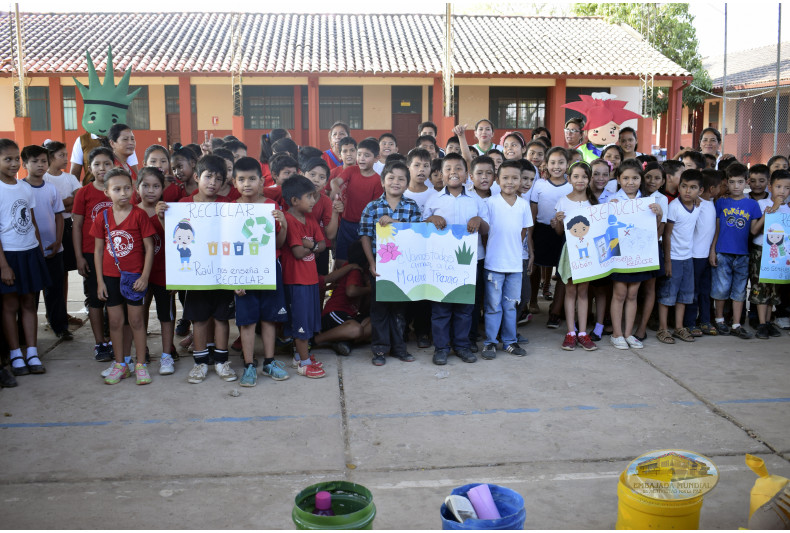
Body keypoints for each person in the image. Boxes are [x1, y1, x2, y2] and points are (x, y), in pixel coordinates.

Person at [174, 155, 237, 383]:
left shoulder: (230, 207)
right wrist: (164, 218)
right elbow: (175, 239)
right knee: (198, 320)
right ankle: (200, 364)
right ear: (197, 176)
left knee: (222, 319)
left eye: (218, 178)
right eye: (208, 176)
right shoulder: (182, 205)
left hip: (222, 274)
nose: (213, 182)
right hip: (196, 275)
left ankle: (221, 361)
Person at [228, 157, 289, 387]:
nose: (247, 184)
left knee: (270, 318)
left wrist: (283, 223)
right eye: (241, 179)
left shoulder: (271, 207)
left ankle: (270, 362)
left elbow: (279, 243)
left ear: (262, 181)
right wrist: (234, 279)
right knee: (247, 322)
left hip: (269, 268)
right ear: (234, 182)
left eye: (252, 179)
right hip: (242, 272)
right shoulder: (231, 210)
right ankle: (249, 365)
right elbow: (227, 248)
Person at [90, 168, 155, 385]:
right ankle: (120, 364)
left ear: (133, 189)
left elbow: (149, 247)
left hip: (134, 278)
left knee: (136, 321)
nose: (123, 193)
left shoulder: (139, 215)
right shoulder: (103, 217)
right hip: (110, 277)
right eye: (117, 189)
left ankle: (140, 364)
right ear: (107, 193)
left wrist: (145, 276)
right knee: (116, 323)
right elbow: (98, 251)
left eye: (127, 188)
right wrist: (100, 281)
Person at [423, 153, 489, 365]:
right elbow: (422, 228)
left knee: (464, 307)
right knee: (441, 307)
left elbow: (487, 229)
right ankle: (441, 348)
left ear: (466, 174)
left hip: (468, 262)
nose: (453, 172)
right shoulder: (433, 200)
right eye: (448, 169)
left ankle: (461, 345)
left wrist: (479, 220)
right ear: (441, 174)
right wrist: (431, 219)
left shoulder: (476, 200)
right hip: (440, 263)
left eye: (458, 168)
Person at [359, 162, 422, 365]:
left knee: (400, 309)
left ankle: (399, 348)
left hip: (404, 266)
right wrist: (371, 263)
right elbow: (365, 236)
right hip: (380, 266)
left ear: (407, 183)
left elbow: (418, 233)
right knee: (380, 308)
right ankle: (379, 349)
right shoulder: (372, 207)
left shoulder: (411, 206)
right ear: (382, 181)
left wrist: (395, 224)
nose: (396, 182)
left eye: (401, 178)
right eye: (391, 178)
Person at [0, 139, 51, 378]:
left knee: (29, 303)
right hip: (8, 256)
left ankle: (31, 351)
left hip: (30, 251)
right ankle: (15, 353)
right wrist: (3, 265)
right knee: (10, 305)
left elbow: (31, 222)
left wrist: (39, 250)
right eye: (6, 159)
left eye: (15, 159)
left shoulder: (24, 188)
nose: (13, 164)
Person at [607, 159, 663, 349]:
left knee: (633, 294)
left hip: (639, 254)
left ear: (641, 179)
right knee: (620, 293)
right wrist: (610, 210)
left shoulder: (647, 202)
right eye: (626, 178)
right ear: (619, 179)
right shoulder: (613, 200)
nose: (630, 182)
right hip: (620, 254)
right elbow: (606, 229)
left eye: (635, 178)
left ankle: (628, 333)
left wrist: (659, 215)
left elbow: (653, 231)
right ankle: (617, 334)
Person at [480, 160, 533, 359]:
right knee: (493, 306)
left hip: (514, 265)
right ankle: (491, 342)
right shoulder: (490, 203)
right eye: (505, 178)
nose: (510, 182)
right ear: (497, 180)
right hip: (494, 264)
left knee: (511, 304)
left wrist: (513, 253)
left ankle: (509, 342)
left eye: (514, 178)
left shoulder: (523, 205)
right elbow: (485, 234)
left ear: (520, 181)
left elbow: (522, 232)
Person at [22, 145, 69, 341]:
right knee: (30, 295)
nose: (40, 165)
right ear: (25, 164)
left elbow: (59, 216)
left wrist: (58, 241)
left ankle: (60, 326)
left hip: (53, 249)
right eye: (35, 161)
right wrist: (37, 245)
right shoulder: (20, 188)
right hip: (31, 250)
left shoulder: (51, 189)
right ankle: (24, 334)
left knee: (56, 290)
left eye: (43, 161)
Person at [709, 163, 762, 339]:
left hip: (743, 254)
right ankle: (719, 320)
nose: (736, 186)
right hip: (723, 252)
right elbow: (716, 229)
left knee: (739, 291)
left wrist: (766, 216)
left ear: (746, 182)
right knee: (721, 288)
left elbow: (754, 231)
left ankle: (737, 324)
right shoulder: (721, 202)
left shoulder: (752, 205)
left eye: (740, 182)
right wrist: (713, 250)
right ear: (727, 183)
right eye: (732, 182)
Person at [72, 147, 115, 361]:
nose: (102, 168)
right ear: (90, 168)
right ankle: (100, 343)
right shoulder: (84, 193)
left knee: (115, 299)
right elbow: (77, 225)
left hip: (117, 255)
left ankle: (115, 341)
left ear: (114, 165)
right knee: (95, 300)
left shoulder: (122, 190)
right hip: (91, 254)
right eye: (97, 164)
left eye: (107, 163)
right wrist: (79, 257)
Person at [281, 175, 326, 378]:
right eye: (309, 196)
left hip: (311, 279)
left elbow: (322, 246)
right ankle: (304, 363)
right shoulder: (288, 220)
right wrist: (312, 246)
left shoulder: (310, 219)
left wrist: (308, 244)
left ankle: (300, 356)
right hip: (296, 281)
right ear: (294, 201)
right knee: (300, 323)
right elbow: (297, 253)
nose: (313, 201)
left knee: (308, 321)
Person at [552, 161, 598, 351]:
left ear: (589, 179)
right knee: (570, 291)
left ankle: (582, 332)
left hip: (588, 253)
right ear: (568, 178)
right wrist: (557, 221)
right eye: (576, 176)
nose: (580, 180)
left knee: (584, 292)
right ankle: (571, 332)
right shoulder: (563, 201)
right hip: (570, 252)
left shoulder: (594, 202)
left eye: (584, 176)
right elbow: (558, 232)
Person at [136, 167, 176, 375]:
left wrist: (162, 218)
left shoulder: (170, 211)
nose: (150, 190)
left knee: (166, 315)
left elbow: (176, 242)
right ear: (137, 187)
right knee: (138, 313)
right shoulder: (132, 211)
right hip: (139, 276)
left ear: (163, 189)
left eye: (156, 186)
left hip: (164, 273)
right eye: (145, 185)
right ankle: (141, 350)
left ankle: (167, 355)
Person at [656, 169, 703, 344]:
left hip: (687, 258)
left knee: (684, 295)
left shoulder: (698, 205)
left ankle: (679, 327)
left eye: (693, 188)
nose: (687, 191)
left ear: (700, 191)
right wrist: (667, 261)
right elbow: (666, 235)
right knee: (667, 295)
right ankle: (663, 328)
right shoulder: (674, 207)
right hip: (673, 258)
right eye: (684, 186)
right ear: (679, 187)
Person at [530, 147, 572, 327]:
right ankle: (532, 301)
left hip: (565, 232)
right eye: (553, 162)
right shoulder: (539, 184)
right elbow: (533, 211)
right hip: (541, 229)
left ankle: (556, 309)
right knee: (536, 267)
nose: (557, 166)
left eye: (561, 162)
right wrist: (530, 234)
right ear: (546, 164)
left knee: (563, 271)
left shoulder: (571, 185)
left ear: (568, 164)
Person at [43, 140, 83, 327]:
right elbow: (48, 206)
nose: (66, 159)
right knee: (49, 274)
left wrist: (60, 203)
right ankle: (52, 313)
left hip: (67, 225)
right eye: (62, 155)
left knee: (64, 272)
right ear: (50, 157)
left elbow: (78, 201)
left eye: (67, 155)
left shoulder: (70, 178)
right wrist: (65, 203)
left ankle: (63, 312)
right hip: (49, 226)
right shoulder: (44, 179)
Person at [748, 169, 790, 339]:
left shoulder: (788, 209)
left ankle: (768, 321)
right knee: (761, 288)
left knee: (774, 289)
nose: (782, 191)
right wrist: (771, 211)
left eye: (787, 188)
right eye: (778, 186)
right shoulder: (762, 204)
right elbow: (754, 230)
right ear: (770, 187)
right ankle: (761, 323)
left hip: (779, 256)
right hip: (761, 252)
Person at [403, 148, 438, 348]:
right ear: (409, 167)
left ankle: (423, 331)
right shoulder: (400, 192)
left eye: (426, 165)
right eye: (417, 165)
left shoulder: (436, 195)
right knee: (408, 290)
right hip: (407, 253)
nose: (421, 170)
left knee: (425, 293)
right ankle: (405, 328)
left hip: (429, 253)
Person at [330, 137, 383, 265]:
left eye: (367, 155)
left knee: (362, 262)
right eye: (359, 154)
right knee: (340, 261)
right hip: (345, 224)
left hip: (364, 227)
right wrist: (335, 187)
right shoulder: (351, 170)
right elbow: (335, 181)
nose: (362, 158)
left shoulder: (378, 181)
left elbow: (374, 209)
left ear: (376, 158)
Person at [314, 240, 371, 356]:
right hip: (334, 314)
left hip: (349, 315)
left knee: (373, 323)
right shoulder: (355, 269)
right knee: (357, 330)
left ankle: (344, 341)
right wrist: (370, 289)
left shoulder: (356, 268)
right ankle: (316, 340)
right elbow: (350, 291)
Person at [683, 169, 722, 336]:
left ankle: (705, 320)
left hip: (706, 256)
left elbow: (713, 230)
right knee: (693, 291)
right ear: (712, 189)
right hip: (694, 256)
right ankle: (690, 322)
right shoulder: (697, 205)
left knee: (705, 290)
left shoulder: (711, 204)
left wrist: (712, 251)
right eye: (722, 186)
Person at [633, 161, 669, 341]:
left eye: (657, 178)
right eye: (648, 177)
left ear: (663, 181)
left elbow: (661, 230)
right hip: (632, 247)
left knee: (649, 288)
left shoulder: (662, 200)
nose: (652, 181)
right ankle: (632, 321)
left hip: (652, 248)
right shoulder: (635, 196)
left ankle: (642, 327)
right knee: (633, 289)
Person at [303, 158, 340, 276]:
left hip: (318, 248)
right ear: (303, 175)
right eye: (312, 174)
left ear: (325, 183)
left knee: (320, 283)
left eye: (321, 177)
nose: (316, 180)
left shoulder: (326, 201)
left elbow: (330, 234)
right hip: (297, 246)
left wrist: (335, 213)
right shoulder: (293, 196)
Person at [516, 160, 537, 324]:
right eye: (524, 178)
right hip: (509, 256)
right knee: (512, 296)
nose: (528, 183)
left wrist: (531, 252)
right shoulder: (500, 201)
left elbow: (528, 231)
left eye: (531, 179)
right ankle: (506, 332)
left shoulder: (525, 203)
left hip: (523, 256)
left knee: (525, 295)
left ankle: (511, 328)